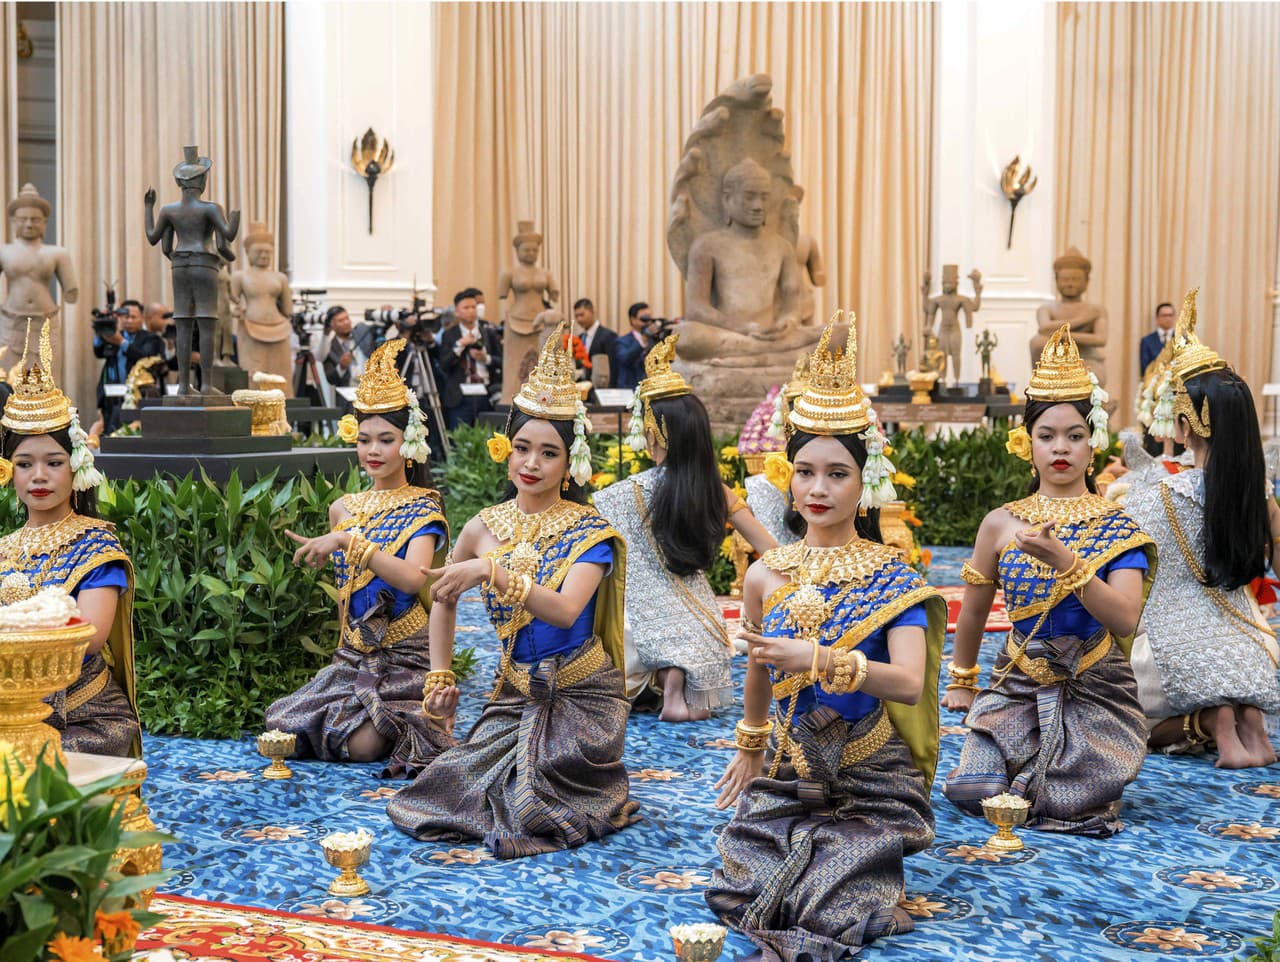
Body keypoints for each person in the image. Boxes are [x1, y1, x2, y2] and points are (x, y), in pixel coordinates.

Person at [706, 315, 945, 961]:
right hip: (788, 766)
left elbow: (910, 682)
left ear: (864, 481)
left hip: (872, 771)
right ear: (788, 475)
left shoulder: (894, 575)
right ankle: (866, 881)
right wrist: (751, 745)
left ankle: (869, 874)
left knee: (822, 902)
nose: (818, 488)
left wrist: (817, 659)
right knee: (740, 890)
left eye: (837, 473)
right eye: (805, 471)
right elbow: (758, 667)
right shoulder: (765, 574)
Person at [387, 321, 639, 858]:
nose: (531, 463)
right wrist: (439, 674)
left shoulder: (588, 532)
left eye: (548, 453)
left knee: (534, 796)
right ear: (506, 449)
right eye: (522, 447)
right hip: (514, 691)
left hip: (581, 696)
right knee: (440, 789)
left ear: (571, 462)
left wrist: (494, 572)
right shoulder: (482, 526)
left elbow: (568, 611)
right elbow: (441, 595)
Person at [943, 324, 1155, 837]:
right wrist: (963, 680)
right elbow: (972, 610)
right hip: (1017, 678)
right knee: (973, 791)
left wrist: (1066, 561)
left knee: (1063, 801)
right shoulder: (1001, 522)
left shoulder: (1117, 526)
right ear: (1027, 444)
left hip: (1095, 684)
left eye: (1075, 436)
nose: (1061, 448)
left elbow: (1125, 618)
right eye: (1047, 435)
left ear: (1092, 443)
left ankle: (1062, 777)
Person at [264, 338, 448, 774]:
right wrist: (344, 654)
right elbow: (348, 593)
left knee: (362, 747)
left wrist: (350, 543)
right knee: (280, 726)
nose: (373, 451)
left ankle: (410, 719)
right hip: (355, 653)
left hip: (406, 654)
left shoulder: (424, 506)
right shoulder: (343, 507)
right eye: (365, 439)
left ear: (409, 443)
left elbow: (411, 579)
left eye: (386, 439)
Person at [1123, 289, 1279, 768]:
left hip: (1178, 658)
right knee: (1239, 676)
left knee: (1118, 717)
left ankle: (1214, 723)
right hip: (1255, 650)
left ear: (1186, 425)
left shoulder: (1159, 495)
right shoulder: (1261, 493)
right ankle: (1250, 720)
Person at [595, 334, 776, 721]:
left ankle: (664, 680)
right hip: (699, 625)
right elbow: (772, 549)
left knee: (624, 633)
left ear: (653, 432)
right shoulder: (716, 491)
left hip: (634, 629)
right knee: (699, 644)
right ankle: (676, 681)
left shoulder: (621, 494)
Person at [0, 321, 140, 756]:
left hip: (84, 715)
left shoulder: (96, 546)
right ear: (9, 472)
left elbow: (91, 635)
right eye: (25, 463)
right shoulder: (3, 547)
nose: (38, 476)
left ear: (77, 467)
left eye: (53, 462)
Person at [438, 288, 501, 428]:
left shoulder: (488, 332)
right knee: (460, 441)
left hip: (485, 394)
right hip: (460, 396)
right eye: (466, 308)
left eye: (473, 307)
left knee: (488, 439)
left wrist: (486, 359)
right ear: (457, 311)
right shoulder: (449, 335)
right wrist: (460, 345)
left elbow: (502, 362)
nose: (471, 311)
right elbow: (444, 365)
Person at [93, 299, 145, 433]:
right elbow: (99, 352)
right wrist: (100, 333)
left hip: (138, 396)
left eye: (134, 317)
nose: (129, 320)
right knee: (110, 431)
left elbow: (145, 357)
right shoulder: (114, 334)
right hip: (112, 395)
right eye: (126, 317)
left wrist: (121, 342)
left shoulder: (150, 338)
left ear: (142, 318)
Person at [611, 302, 653, 390]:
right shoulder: (621, 341)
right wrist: (643, 340)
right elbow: (625, 358)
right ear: (633, 320)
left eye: (650, 318)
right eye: (644, 319)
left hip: (650, 390)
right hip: (629, 391)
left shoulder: (654, 341)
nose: (648, 322)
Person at [574, 298, 616, 383]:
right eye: (576, 316)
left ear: (592, 312)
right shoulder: (579, 338)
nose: (579, 319)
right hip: (582, 388)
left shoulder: (608, 336)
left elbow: (613, 367)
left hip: (601, 388)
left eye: (582, 315)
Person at [1139, 302, 1176, 376]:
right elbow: (1144, 369)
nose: (1168, 318)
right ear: (1157, 318)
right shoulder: (1147, 341)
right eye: (1164, 315)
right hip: (1154, 383)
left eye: (1170, 315)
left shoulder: (1182, 339)